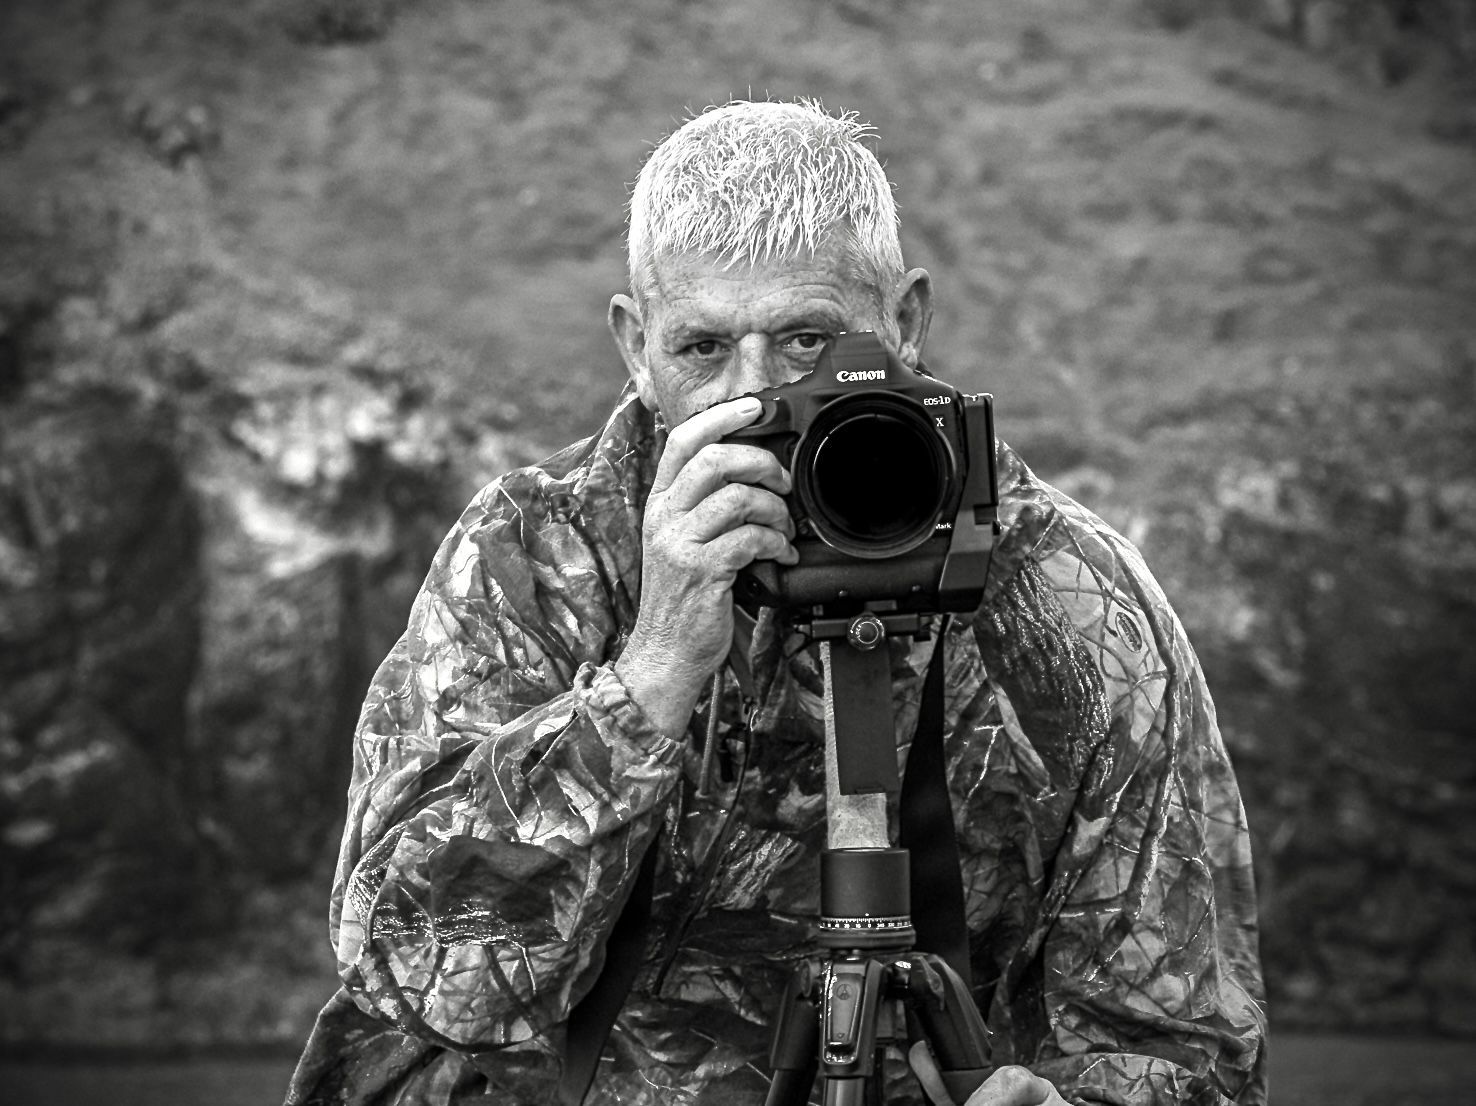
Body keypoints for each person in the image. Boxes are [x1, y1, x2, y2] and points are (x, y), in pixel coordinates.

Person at [285, 99, 1267, 1106]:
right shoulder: (533, 553)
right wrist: (652, 672)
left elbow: (1184, 1041)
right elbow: (415, 981)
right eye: (702, 349)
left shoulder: (1068, 594)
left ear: (906, 322)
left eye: (806, 339)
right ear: (636, 347)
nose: (751, 406)